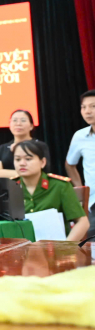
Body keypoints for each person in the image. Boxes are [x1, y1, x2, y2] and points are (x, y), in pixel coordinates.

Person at [12, 141, 88, 241]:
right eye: (17, 159)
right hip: (21, 251)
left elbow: (82, 222)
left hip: (56, 250)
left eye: (28, 159)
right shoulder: (10, 187)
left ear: (43, 162)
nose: (22, 163)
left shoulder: (60, 186)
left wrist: (66, 246)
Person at [65, 89, 95, 241]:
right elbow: (70, 164)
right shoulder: (80, 136)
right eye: (84, 107)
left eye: (93, 106)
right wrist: (81, 190)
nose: (87, 111)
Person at [0, 110, 50, 179]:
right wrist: (25, 173)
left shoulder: (40, 145)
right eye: (14, 120)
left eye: (23, 120)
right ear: (9, 125)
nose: (18, 123)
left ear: (31, 126)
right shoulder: (3, 148)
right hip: (9, 188)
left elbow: (42, 171)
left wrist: (7, 173)